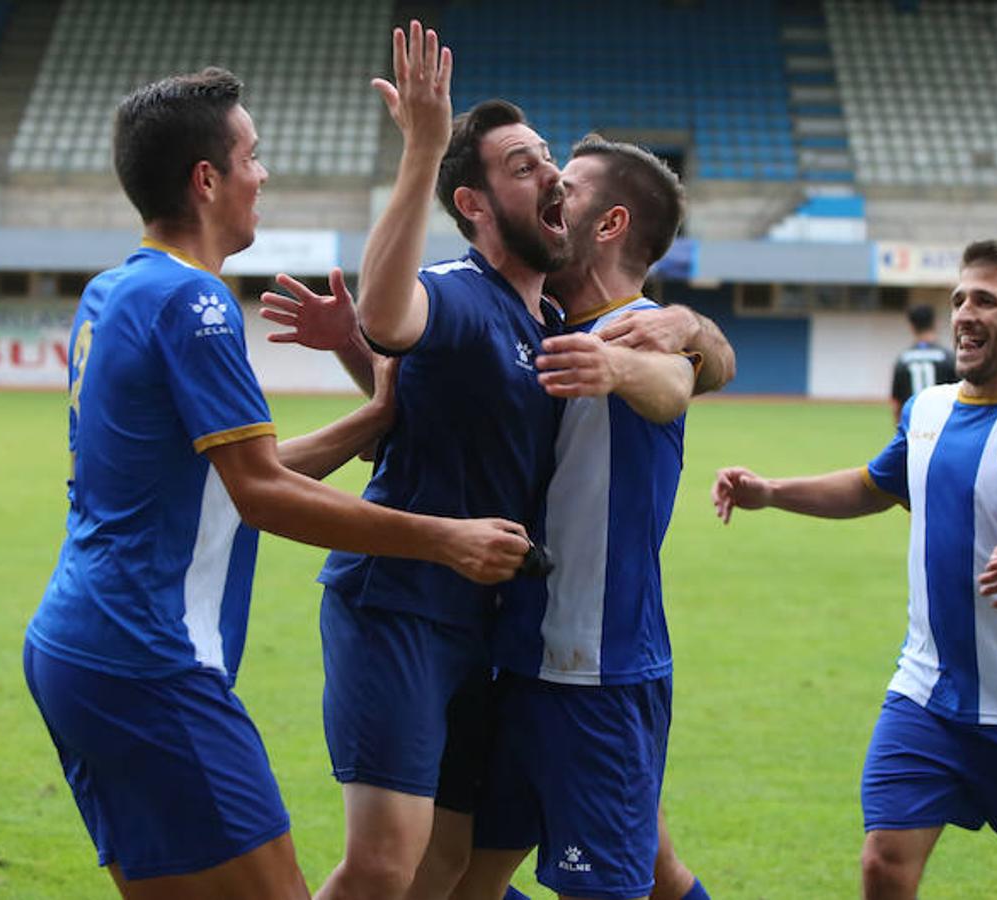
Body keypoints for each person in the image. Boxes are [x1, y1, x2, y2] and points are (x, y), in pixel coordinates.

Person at [22, 67, 530, 900]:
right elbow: (262, 494)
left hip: (76, 648)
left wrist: (372, 422)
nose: (263, 176)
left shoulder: (116, 289)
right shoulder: (197, 302)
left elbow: (216, 480)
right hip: (152, 661)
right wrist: (447, 537)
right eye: (252, 157)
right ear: (207, 179)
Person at [712, 240, 997, 900]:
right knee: (883, 863)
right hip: (925, 694)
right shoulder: (927, 411)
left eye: (985, 300)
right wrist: (771, 492)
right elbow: (873, 487)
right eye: (957, 299)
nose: (963, 313)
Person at [311, 23, 571, 900]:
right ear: (474, 203)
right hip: (398, 608)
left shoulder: (557, 328)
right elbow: (388, 314)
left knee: (445, 867)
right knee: (384, 862)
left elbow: (409, 392)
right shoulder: (463, 295)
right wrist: (423, 148)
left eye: (549, 158)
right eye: (525, 165)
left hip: (485, 628)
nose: (552, 173)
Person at [450, 135, 732, 900]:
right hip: (513, 657)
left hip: (594, 668)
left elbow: (672, 382)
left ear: (607, 225)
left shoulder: (636, 329)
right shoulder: (534, 318)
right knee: (451, 880)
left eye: (565, 186)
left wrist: (637, 356)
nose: (546, 188)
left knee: (613, 885)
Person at [890, 303, 956, 424]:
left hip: (914, 428)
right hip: (943, 427)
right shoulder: (949, 358)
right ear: (935, 323)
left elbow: (896, 404)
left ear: (911, 326)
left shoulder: (903, 360)